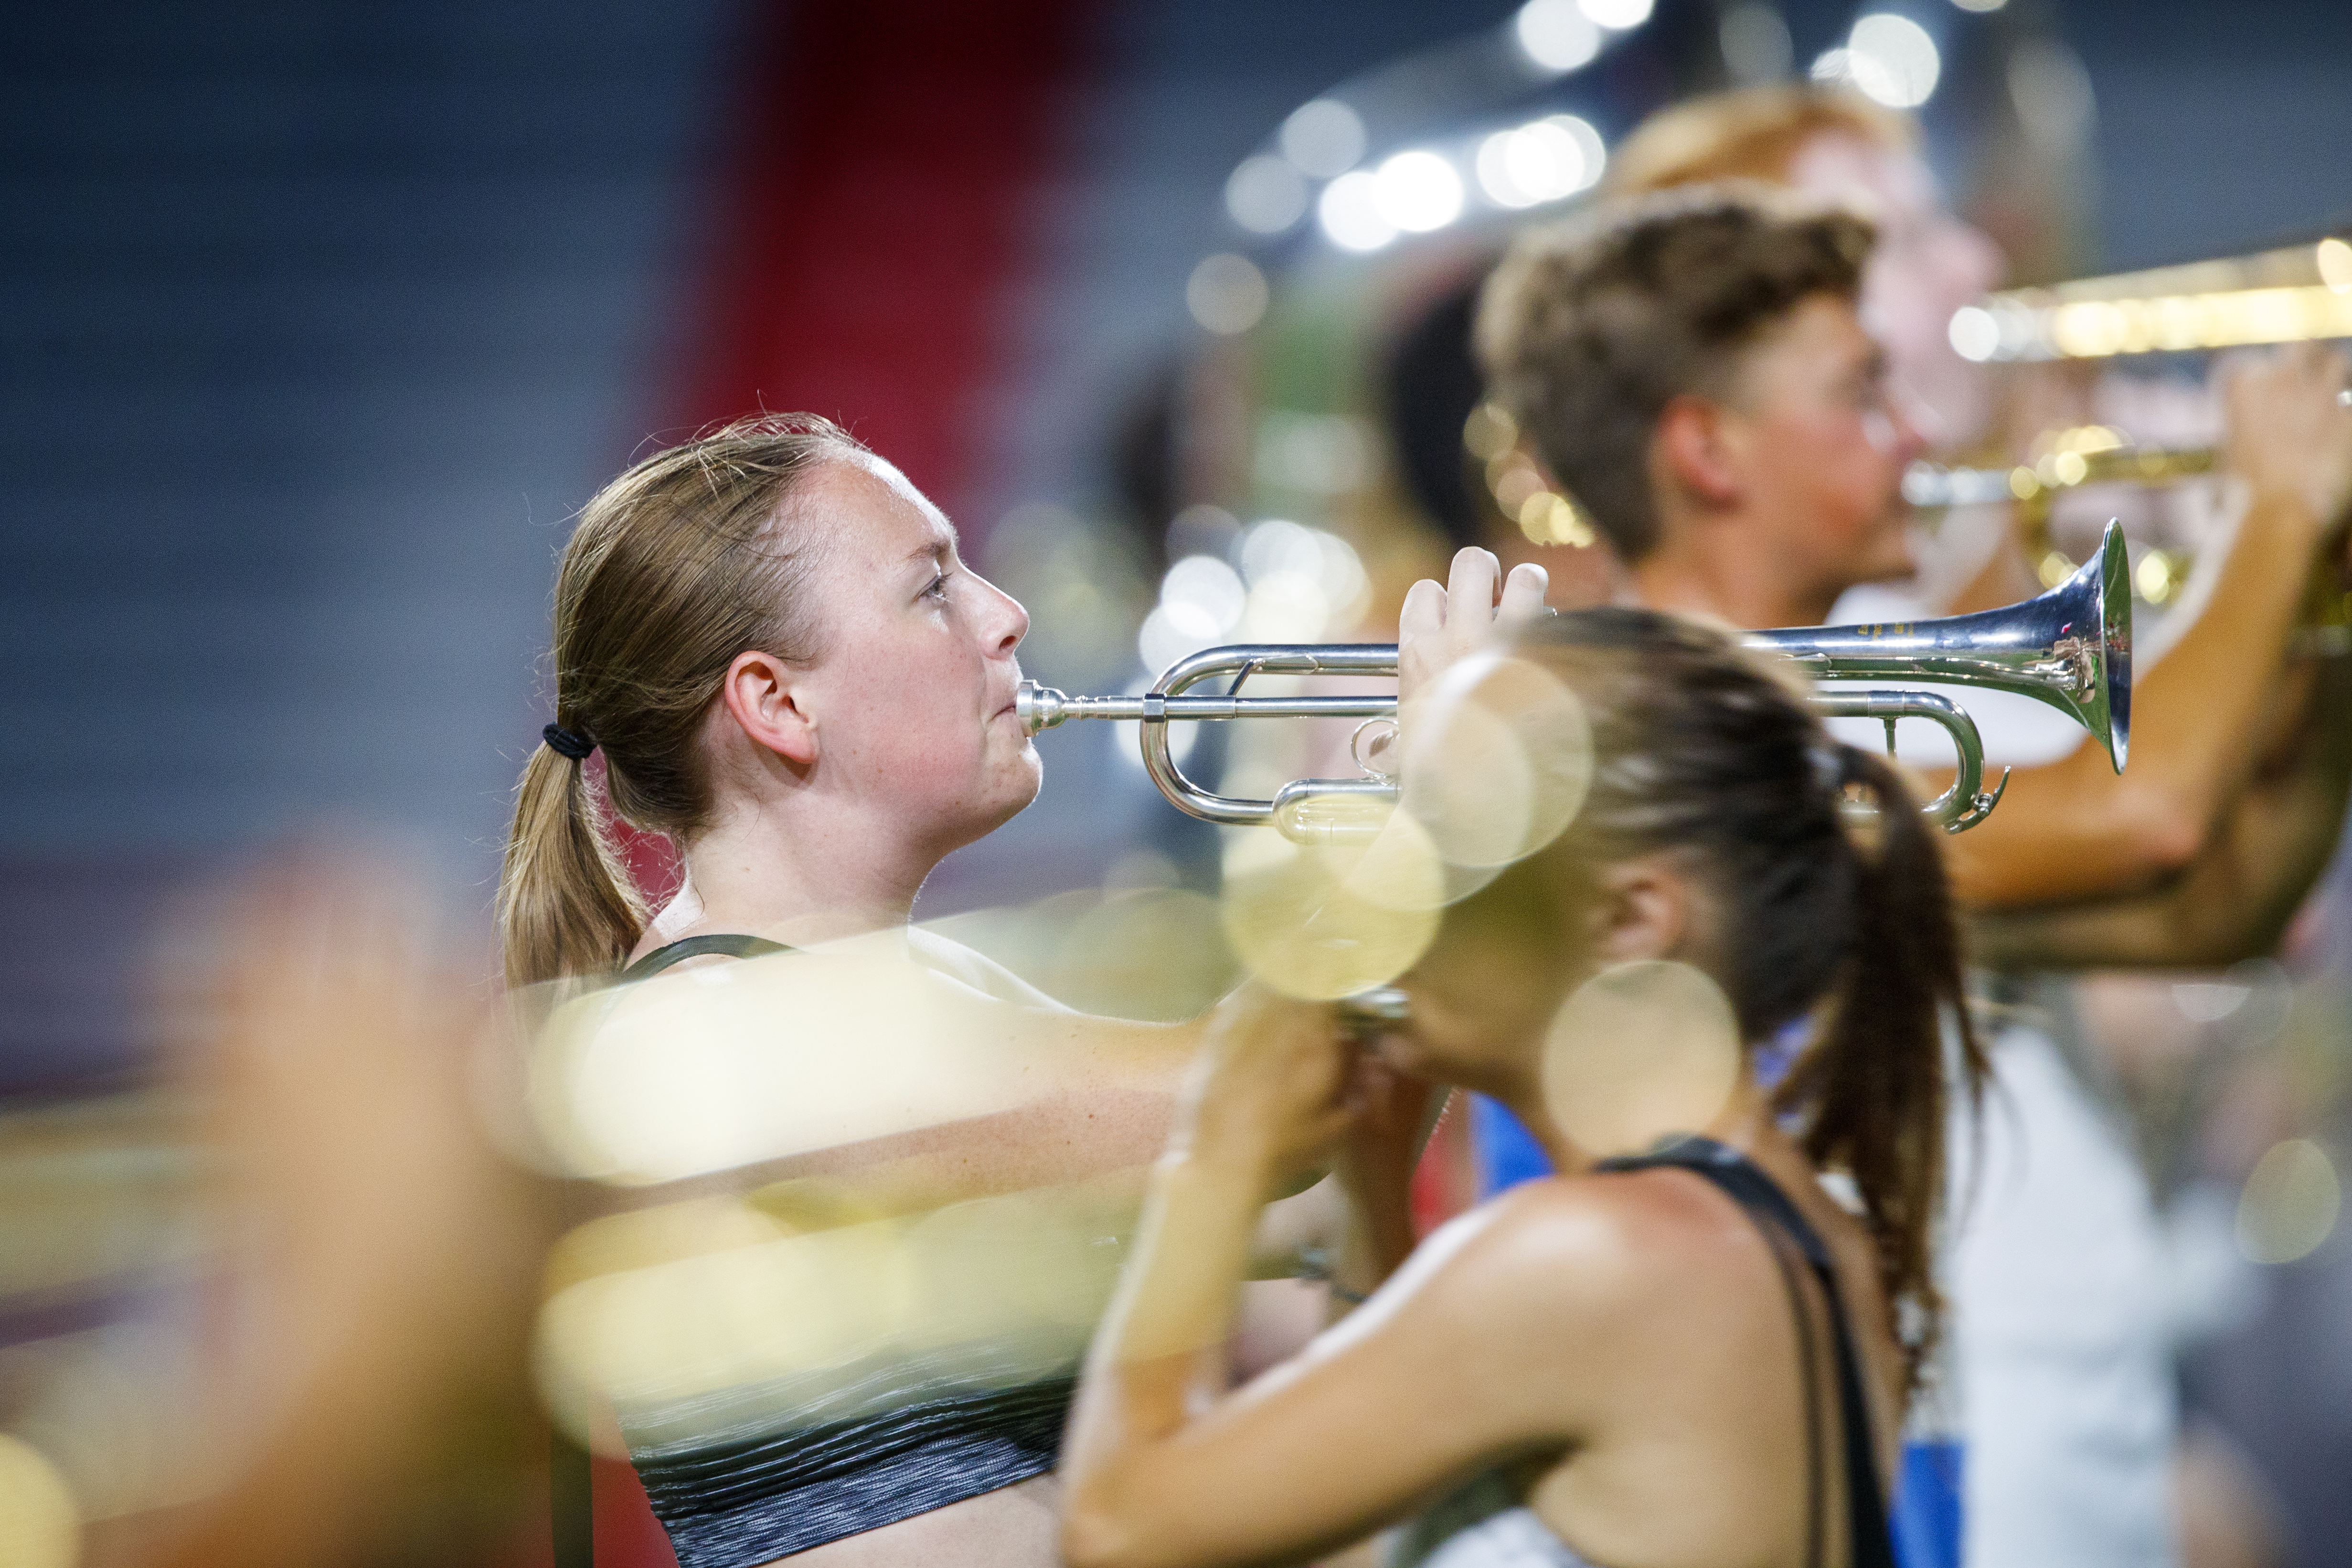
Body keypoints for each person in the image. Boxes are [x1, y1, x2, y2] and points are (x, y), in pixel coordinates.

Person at [1471, 177, 2352, 1568]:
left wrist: (2320, 606)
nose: (1913, 432)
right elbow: (2154, 822)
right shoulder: (1657, 743)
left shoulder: (1821, 722)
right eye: (1858, 392)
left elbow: (2210, 907)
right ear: (1706, 449)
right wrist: (2267, 517)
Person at [496, 416, 1383, 1568]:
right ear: (777, 705)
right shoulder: (714, 1036)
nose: (1005, 614)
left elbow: (1313, 1226)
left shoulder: (948, 980)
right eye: (932, 589)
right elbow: (1249, 1098)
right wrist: (1461, 817)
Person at [1057, 598, 1985, 1568]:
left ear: (1630, 919)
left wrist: (1216, 1153)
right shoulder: (1808, 1238)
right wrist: (1377, 1185)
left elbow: (1114, 1528)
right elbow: (1362, 1545)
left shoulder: (1587, 1259)